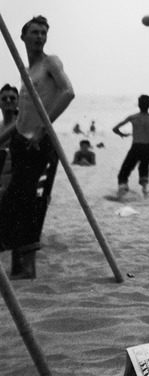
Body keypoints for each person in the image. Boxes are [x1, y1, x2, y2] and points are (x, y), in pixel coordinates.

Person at [0, 16, 75, 279]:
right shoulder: (27, 71)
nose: (40, 37)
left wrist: (43, 128)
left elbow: (67, 92)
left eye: (43, 32)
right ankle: (18, 266)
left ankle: (27, 266)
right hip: (21, 141)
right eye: (35, 32)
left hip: (39, 142)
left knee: (30, 201)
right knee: (16, 201)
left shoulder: (50, 62)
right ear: (23, 37)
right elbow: (23, 117)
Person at [112, 94, 149, 197]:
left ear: (138, 104)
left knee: (125, 169)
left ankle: (123, 186)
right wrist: (147, 137)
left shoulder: (133, 117)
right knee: (144, 167)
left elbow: (115, 128)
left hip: (137, 146)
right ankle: (145, 188)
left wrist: (122, 134)